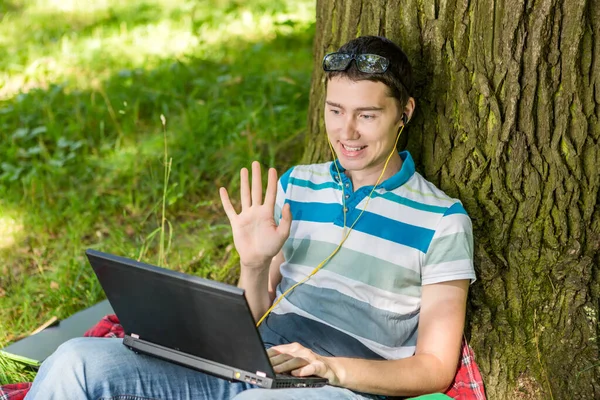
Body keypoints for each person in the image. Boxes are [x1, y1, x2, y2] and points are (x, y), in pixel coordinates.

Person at [25, 36, 475, 400]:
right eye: (335, 111)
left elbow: (434, 369)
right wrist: (255, 263)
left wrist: (330, 369)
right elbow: (256, 313)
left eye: (367, 115)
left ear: (405, 113)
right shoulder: (299, 184)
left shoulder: (443, 219)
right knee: (74, 362)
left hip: (342, 385)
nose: (346, 132)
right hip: (254, 360)